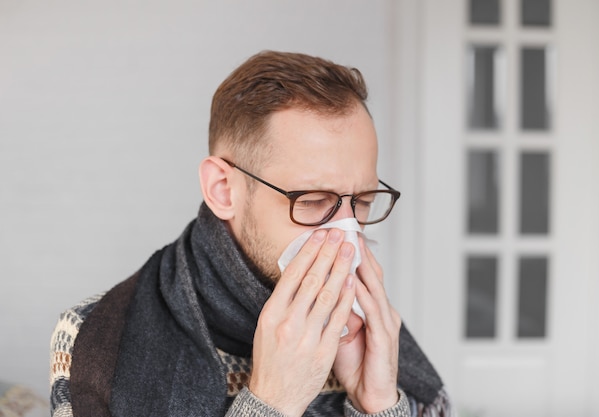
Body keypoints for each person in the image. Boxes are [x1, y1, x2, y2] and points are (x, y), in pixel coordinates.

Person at [50, 50, 453, 417]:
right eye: (313, 200)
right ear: (222, 190)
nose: (346, 237)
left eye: (363, 201)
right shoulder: (95, 336)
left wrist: (379, 405)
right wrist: (272, 403)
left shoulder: (366, 332)